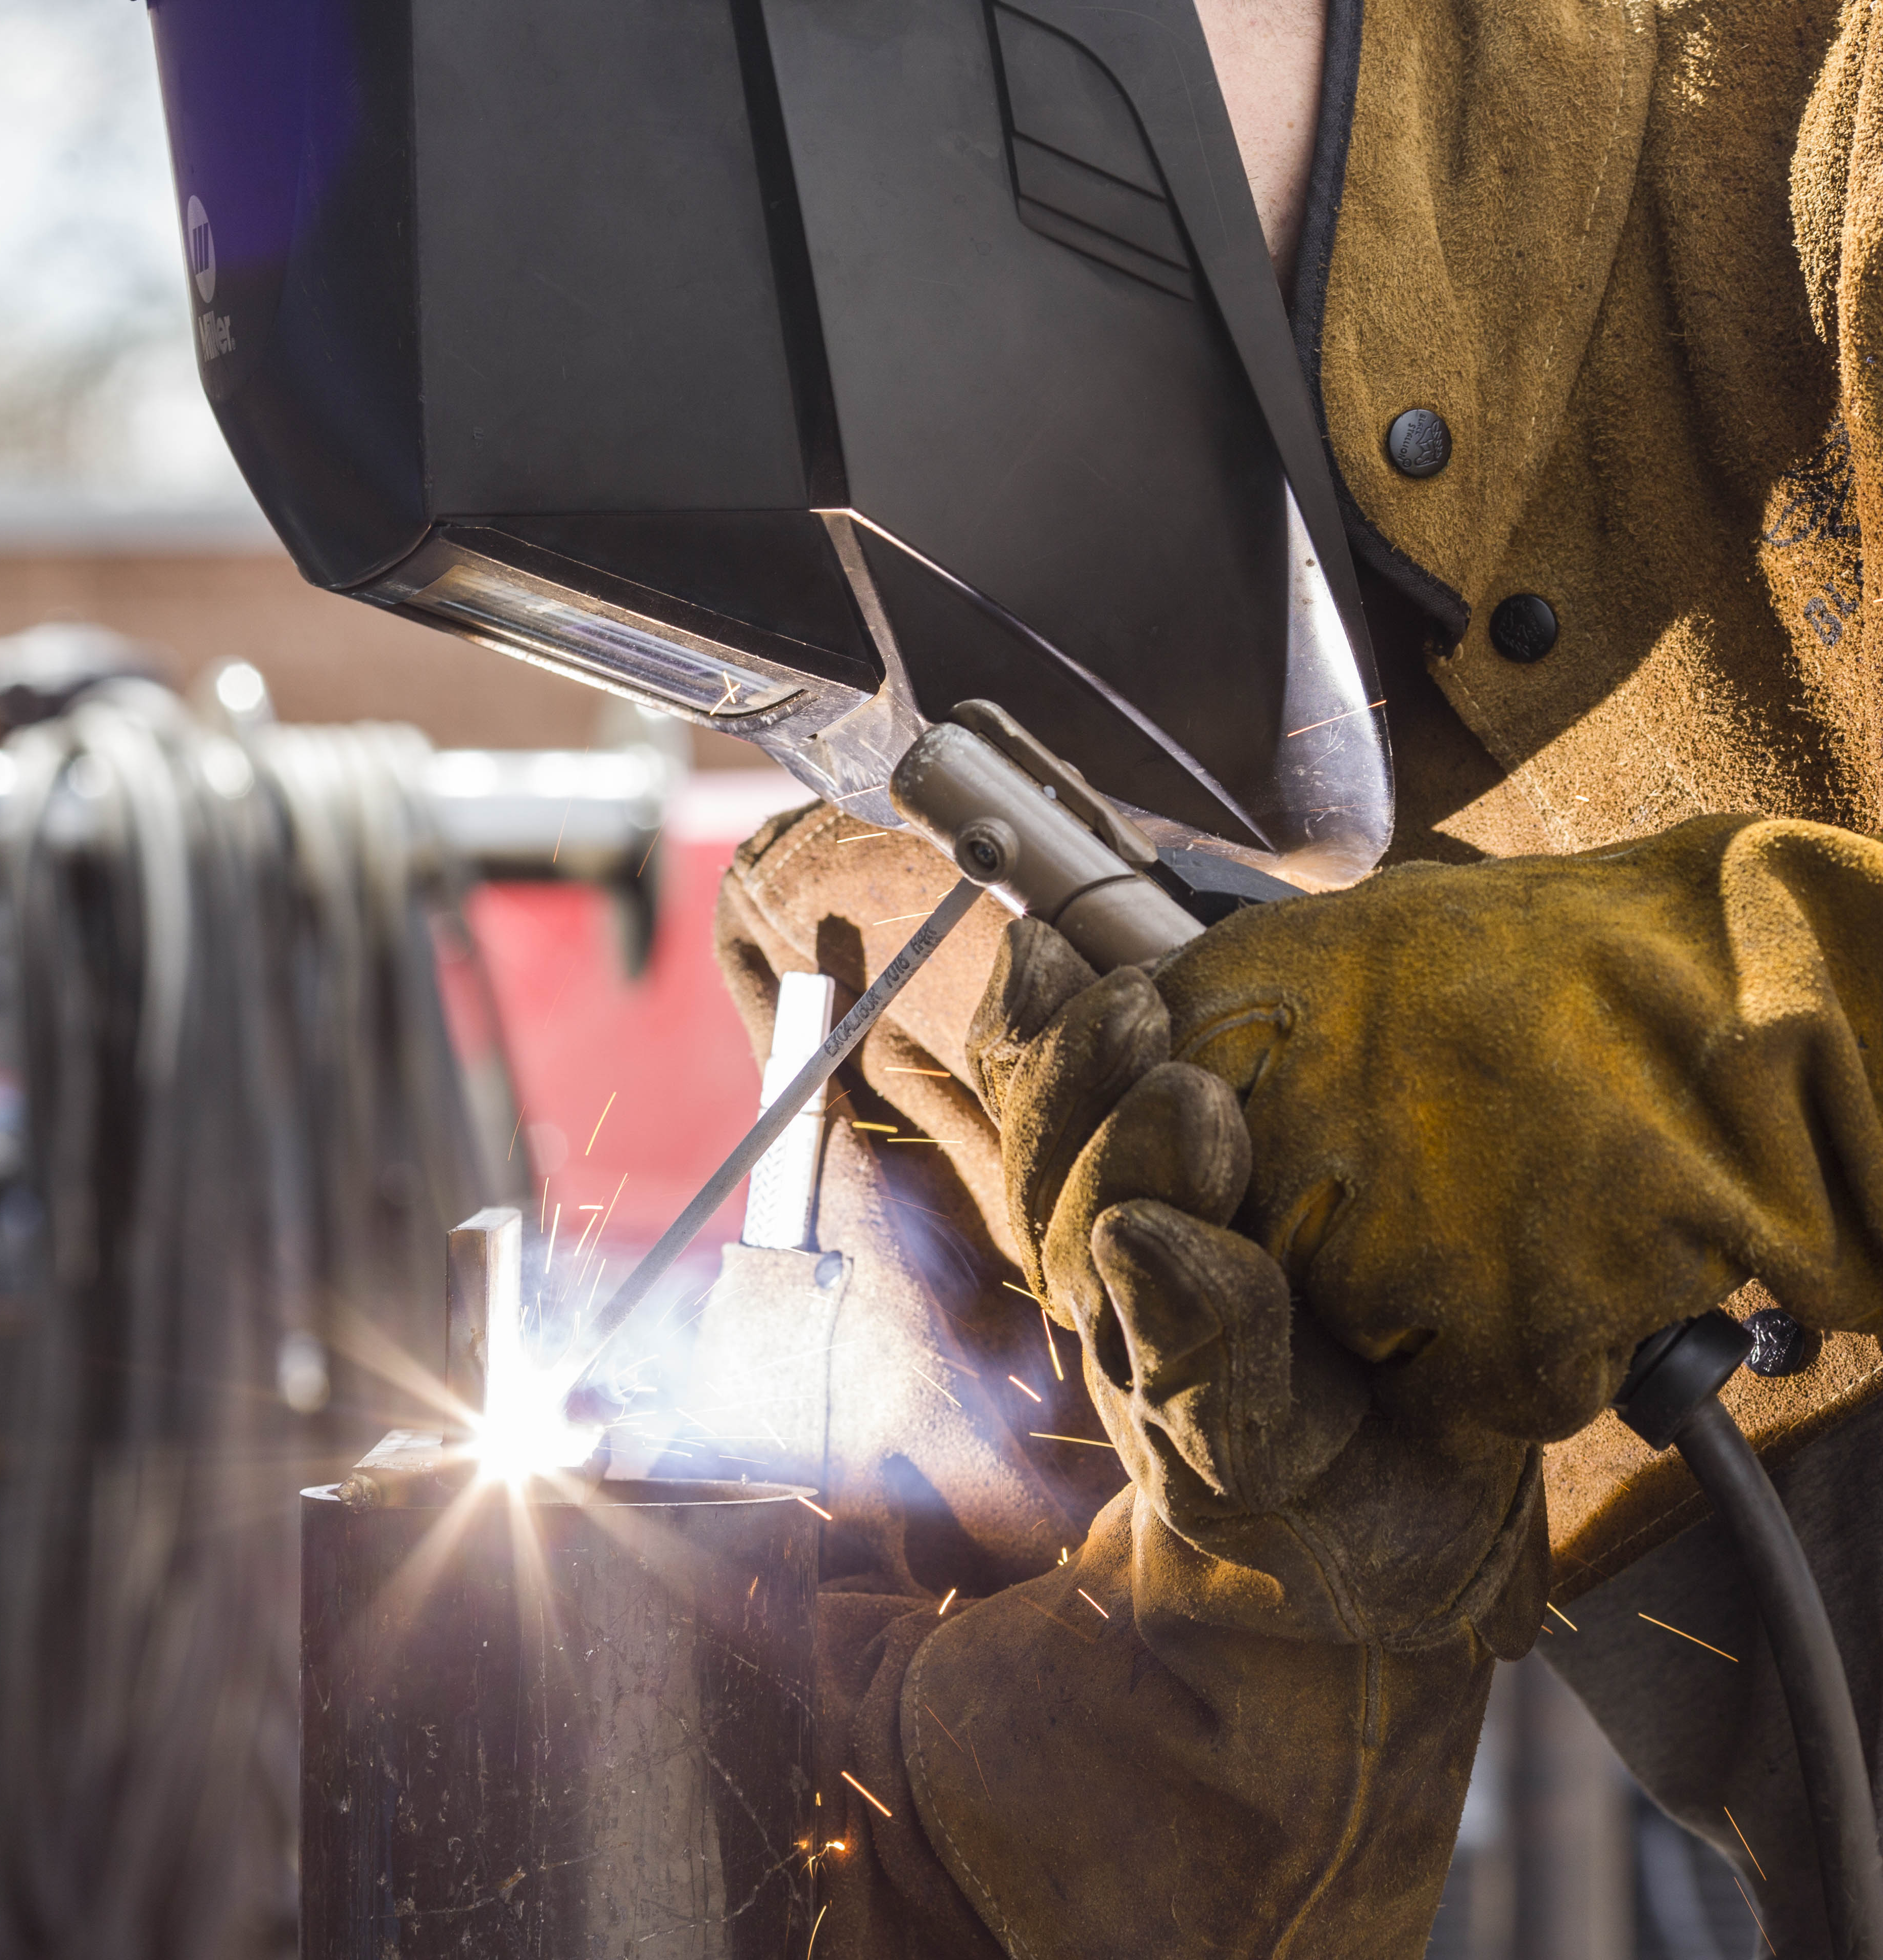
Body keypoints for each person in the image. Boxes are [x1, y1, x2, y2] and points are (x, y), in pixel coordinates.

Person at [715, 0, 1883, 1950]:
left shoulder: (1819, 111)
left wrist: (1749, 1034)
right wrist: (1206, 1697)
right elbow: (859, 1876)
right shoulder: (901, 911)